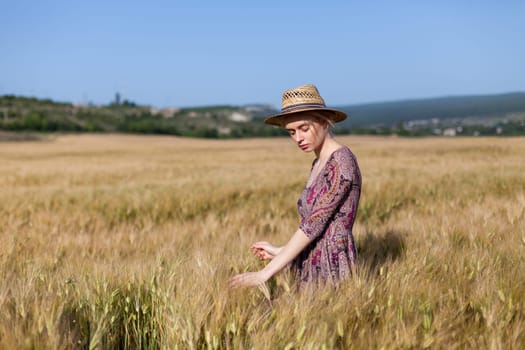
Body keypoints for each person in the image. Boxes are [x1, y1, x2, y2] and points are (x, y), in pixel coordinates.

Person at [229, 84, 361, 289]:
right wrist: (279, 250)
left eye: (304, 129)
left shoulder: (342, 162)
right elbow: (318, 229)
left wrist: (264, 274)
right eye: (291, 132)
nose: (298, 138)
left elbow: (314, 223)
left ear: (323, 121)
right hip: (309, 265)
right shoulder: (318, 163)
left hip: (332, 268)